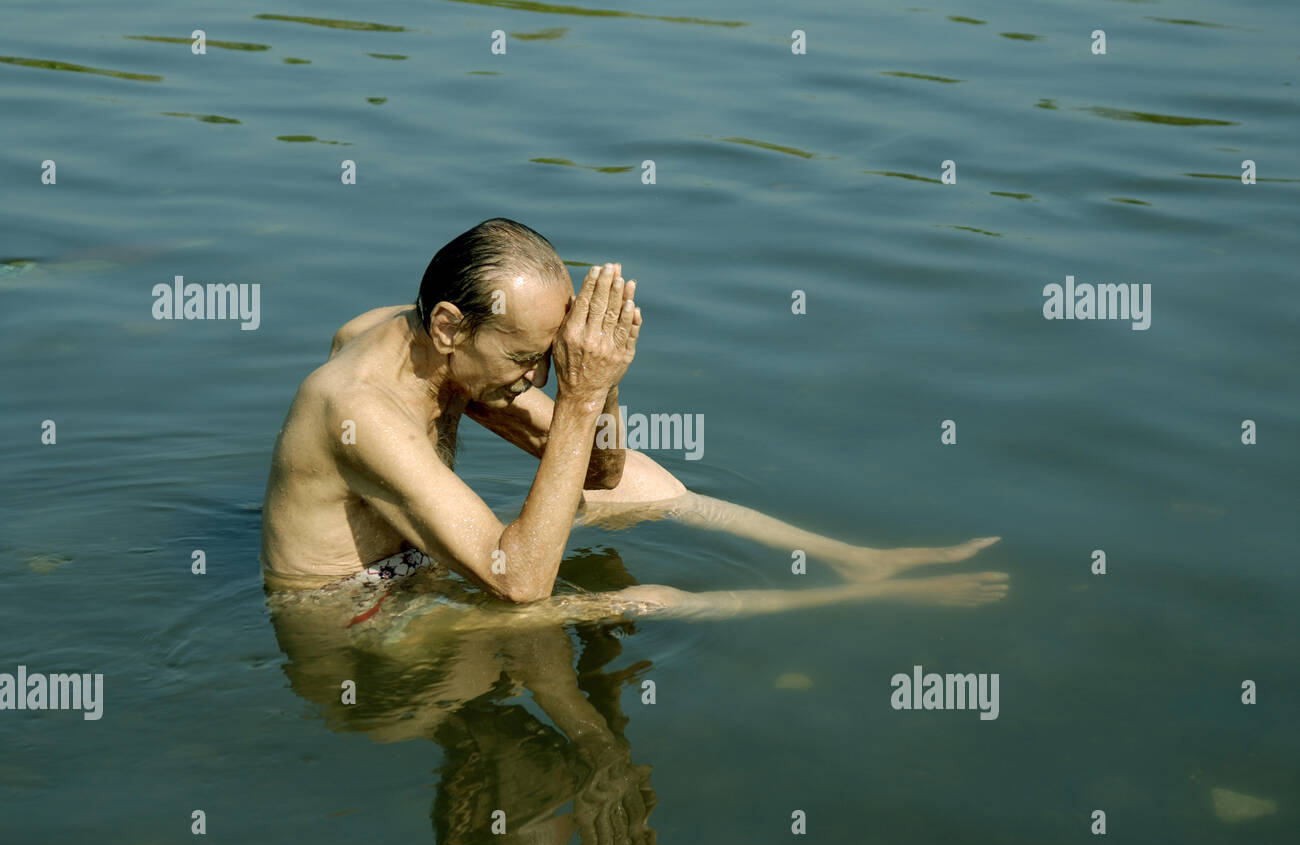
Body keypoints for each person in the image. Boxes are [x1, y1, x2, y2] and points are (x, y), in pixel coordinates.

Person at [260, 218, 1008, 619]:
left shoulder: (438, 350)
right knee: (647, 600)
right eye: (527, 357)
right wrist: (579, 399)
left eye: (551, 356)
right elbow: (520, 583)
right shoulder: (358, 406)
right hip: (353, 621)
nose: (537, 377)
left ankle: (852, 555)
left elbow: (604, 471)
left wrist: (602, 382)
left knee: (644, 481)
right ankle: (863, 596)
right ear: (452, 325)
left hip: (415, 565)